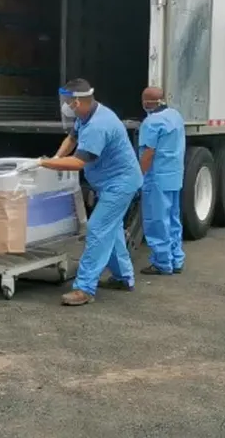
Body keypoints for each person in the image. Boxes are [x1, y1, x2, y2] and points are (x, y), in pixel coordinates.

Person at [38, 79, 143, 306]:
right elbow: (72, 138)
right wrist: (56, 158)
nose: (66, 106)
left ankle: (84, 288)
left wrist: (45, 164)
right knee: (111, 230)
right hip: (109, 183)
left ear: (77, 102)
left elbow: (78, 162)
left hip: (120, 183)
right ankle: (123, 277)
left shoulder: (99, 125)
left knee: (97, 229)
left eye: (68, 102)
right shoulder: (85, 116)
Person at [138, 87, 186, 275]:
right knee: (173, 219)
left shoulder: (151, 122)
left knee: (157, 220)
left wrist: (138, 176)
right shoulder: (175, 116)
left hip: (157, 178)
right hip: (174, 176)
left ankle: (162, 263)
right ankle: (177, 259)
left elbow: (148, 153)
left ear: (147, 102)